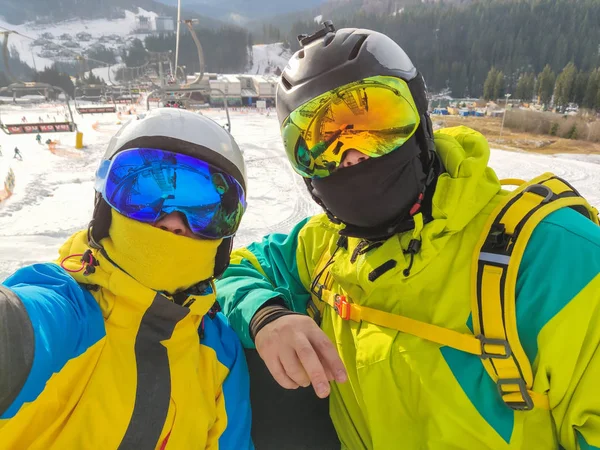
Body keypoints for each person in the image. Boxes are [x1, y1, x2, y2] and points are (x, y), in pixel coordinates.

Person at [215, 23, 600, 449]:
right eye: (321, 142)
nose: (352, 155)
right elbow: (237, 267)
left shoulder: (555, 257)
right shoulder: (323, 246)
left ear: (420, 123)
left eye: (375, 124)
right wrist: (267, 315)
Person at [0, 109, 253, 449]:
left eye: (204, 212)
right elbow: (18, 332)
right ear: (105, 207)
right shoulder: (66, 309)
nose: (173, 223)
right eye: (144, 198)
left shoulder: (220, 352)